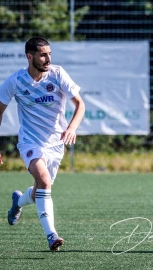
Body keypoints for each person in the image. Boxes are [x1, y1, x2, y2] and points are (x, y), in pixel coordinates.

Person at [0, 36, 85, 252]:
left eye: (49, 54)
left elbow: (80, 105)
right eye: (42, 54)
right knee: (44, 182)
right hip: (30, 142)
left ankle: (18, 201)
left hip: (55, 144)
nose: (48, 58)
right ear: (30, 57)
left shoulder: (57, 74)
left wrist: (72, 128)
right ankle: (51, 235)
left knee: (40, 188)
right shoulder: (15, 81)